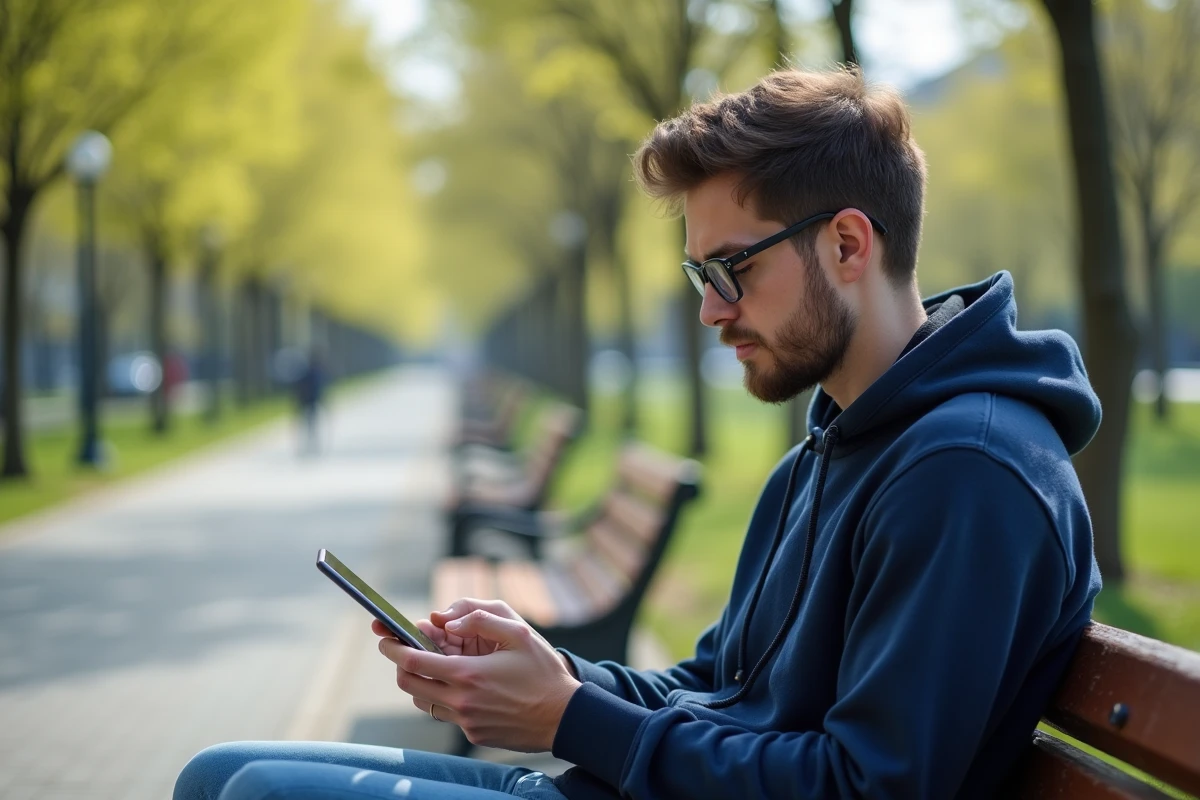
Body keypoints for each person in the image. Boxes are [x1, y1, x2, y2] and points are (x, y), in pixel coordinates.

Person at [175, 66, 1102, 800]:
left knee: (253, 789)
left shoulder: (968, 473)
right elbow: (719, 686)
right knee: (215, 772)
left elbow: (868, 787)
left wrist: (573, 720)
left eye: (731, 269)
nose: (711, 311)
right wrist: (551, 676)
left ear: (849, 245)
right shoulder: (839, 445)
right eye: (699, 275)